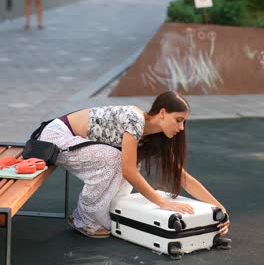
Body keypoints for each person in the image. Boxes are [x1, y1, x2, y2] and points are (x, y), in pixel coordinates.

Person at [38, 91, 230, 238]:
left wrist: (220, 210)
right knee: (117, 160)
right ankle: (84, 219)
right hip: (56, 138)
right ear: (162, 113)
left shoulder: (158, 137)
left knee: (127, 162)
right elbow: (127, 171)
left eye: (183, 122)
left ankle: (106, 213)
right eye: (178, 120)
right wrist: (162, 202)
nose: (181, 128)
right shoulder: (135, 119)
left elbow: (184, 178)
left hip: (74, 142)